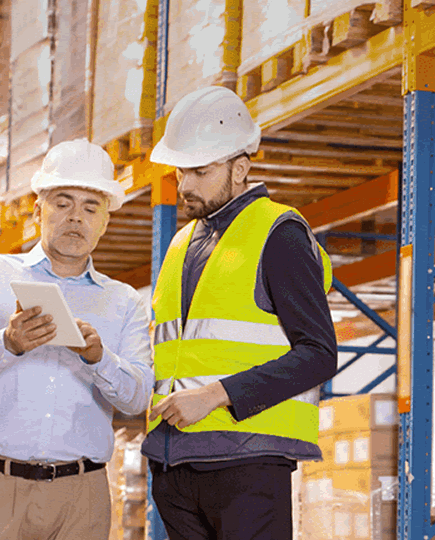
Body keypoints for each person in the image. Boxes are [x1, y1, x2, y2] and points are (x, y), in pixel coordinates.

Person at [0, 138, 153, 540]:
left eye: (91, 207)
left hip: (81, 497)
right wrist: (7, 343)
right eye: (63, 203)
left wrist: (99, 359)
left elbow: (137, 398)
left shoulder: (124, 302)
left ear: (105, 221)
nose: (75, 218)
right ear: (38, 210)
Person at [143, 85, 338, 540]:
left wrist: (216, 395)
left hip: (246, 465)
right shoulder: (181, 243)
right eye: (180, 171)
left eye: (200, 171)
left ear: (240, 168)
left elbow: (318, 354)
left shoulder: (279, 233)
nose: (185, 184)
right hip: (174, 466)